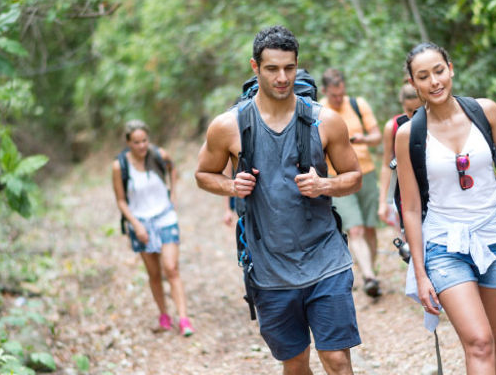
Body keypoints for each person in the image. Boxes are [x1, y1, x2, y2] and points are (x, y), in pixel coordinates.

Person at [195, 25, 362, 375]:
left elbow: (354, 177)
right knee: (296, 362)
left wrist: (324, 185)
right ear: (255, 68)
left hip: (325, 258)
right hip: (269, 268)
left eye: (289, 67)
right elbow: (203, 174)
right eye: (272, 69)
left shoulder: (325, 121)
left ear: (297, 64)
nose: (282, 77)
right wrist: (231, 187)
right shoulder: (228, 127)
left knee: (336, 360)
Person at [395, 42, 496, 375]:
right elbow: (412, 207)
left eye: (438, 71)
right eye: (423, 76)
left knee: (494, 341)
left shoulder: (485, 112)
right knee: (478, 342)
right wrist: (420, 273)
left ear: (451, 68)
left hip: (494, 239)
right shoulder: (408, 135)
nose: (434, 82)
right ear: (413, 83)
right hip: (444, 247)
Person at [112, 120, 195, 336]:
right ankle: (164, 316)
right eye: (136, 142)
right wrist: (136, 225)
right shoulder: (120, 166)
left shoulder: (159, 154)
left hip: (165, 217)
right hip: (140, 222)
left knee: (171, 268)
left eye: (144, 141)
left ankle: (184, 319)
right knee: (154, 273)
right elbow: (121, 200)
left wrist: (173, 194)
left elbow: (173, 168)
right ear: (128, 142)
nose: (141, 146)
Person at [320, 69, 383, 297]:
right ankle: (369, 276)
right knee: (354, 228)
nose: (339, 99)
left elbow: (377, 137)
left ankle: (370, 270)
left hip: (365, 172)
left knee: (369, 227)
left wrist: (361, 139)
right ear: (325, 91)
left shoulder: (358, 104)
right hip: (336, 177)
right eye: (334, 95)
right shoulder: (319, 110)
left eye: (342, 94)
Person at [377, 81, 422, 230]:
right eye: (409, 110)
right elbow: (386, 165)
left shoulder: (432, 124)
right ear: (402, 105)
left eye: (418, 110)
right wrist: (383, 201)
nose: (414, 116)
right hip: (403, 192)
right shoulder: (393, 126)